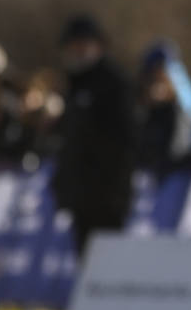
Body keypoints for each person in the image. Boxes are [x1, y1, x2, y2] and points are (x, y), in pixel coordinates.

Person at [50, 14, 136, 255]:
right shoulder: (76, 83)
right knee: (85, 257)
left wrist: (117, 192)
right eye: (72, 46)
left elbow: (125, 141)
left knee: (108, 261)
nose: (76, 51)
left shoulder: (115, 83)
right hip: (81, 194)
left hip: (107, 196)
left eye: (81, 45)